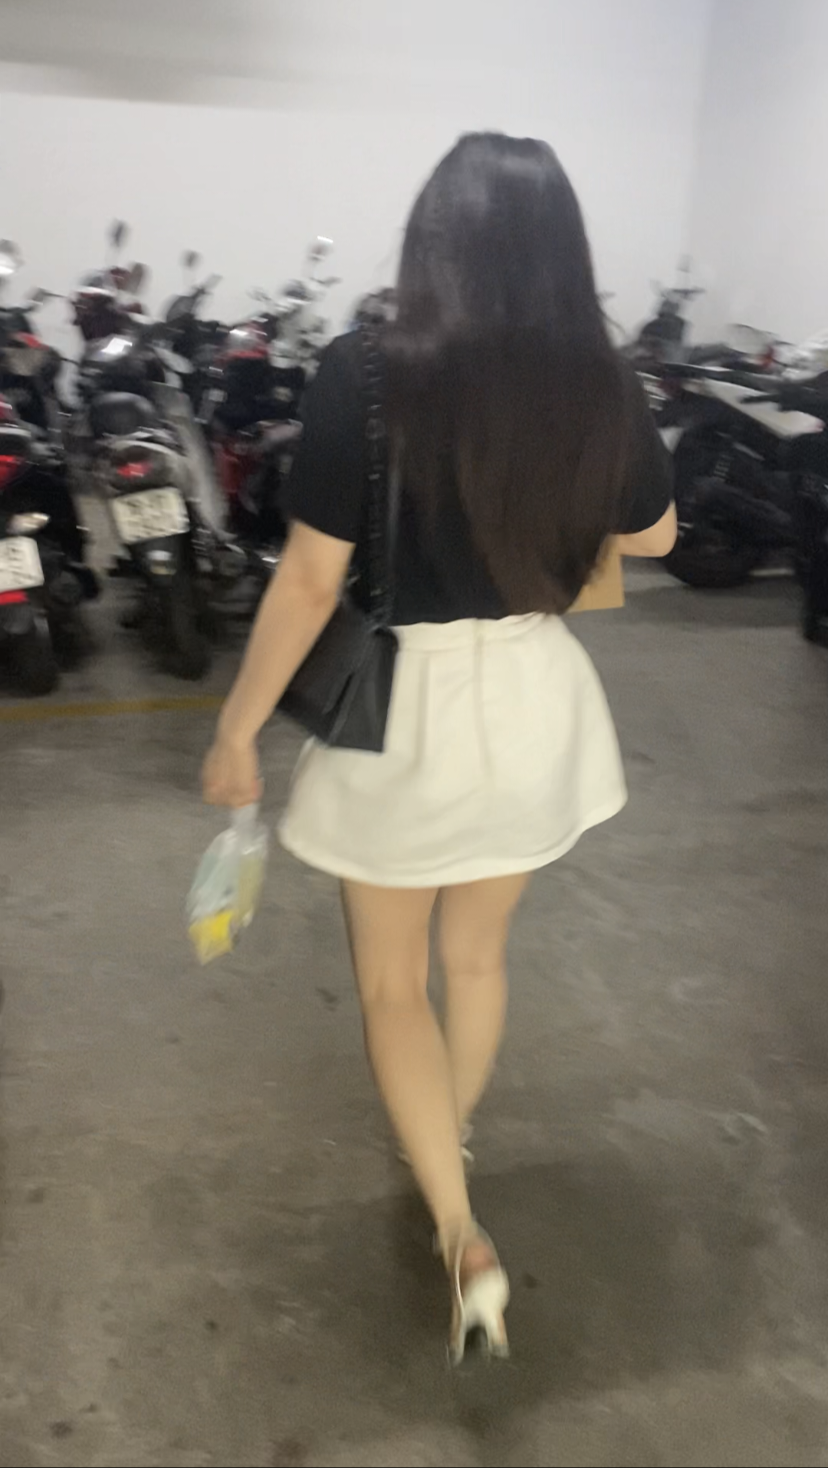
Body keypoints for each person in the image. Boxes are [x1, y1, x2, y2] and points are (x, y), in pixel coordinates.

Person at [202, 132, 676, 1363]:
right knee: (476, 959)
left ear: (431, 239)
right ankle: (446, 1145)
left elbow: (311, 580)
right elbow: (659, 533)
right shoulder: (599, 378)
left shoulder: (364, 369)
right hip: (533, 697)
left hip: (399, 714)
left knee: (389, 984)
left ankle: (461, 1230)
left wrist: (239, 727)